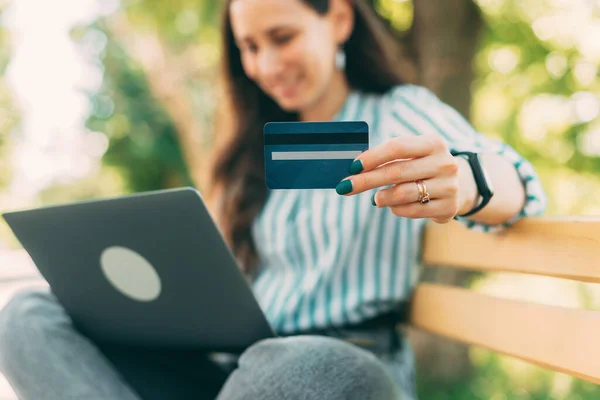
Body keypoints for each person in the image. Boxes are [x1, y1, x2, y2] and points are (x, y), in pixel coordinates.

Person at [0, 0, 548, 399]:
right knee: (26, 317)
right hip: (233, 370)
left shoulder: (395, 113)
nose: (264, 66)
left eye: (281, 37)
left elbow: (520, 184)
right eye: (249, 48)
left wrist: (469, 180)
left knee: (288, 365)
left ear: (338, 19)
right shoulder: (252, 147)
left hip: (339, 366)